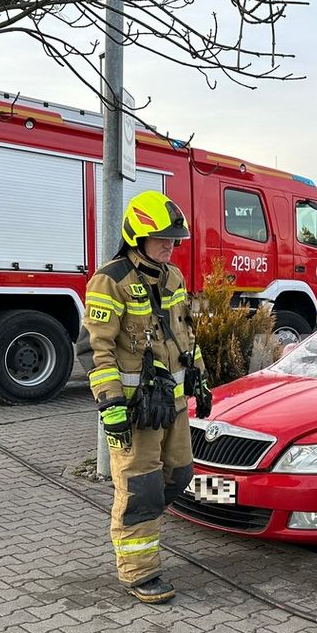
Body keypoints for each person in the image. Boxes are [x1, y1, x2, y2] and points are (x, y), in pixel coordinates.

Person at [83, 190, 211, 604]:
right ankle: (139, 571)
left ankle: (143, 528)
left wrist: (201, 379)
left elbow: (186, 333)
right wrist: (111, 405)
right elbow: (95, 349)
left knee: (179, 475)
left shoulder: (172, 277)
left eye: (174, 239)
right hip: (135, 411)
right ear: (137, 236)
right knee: (140, 488)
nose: (170, 246)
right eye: (162, 238)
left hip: (171, 407)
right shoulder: (110, 281)